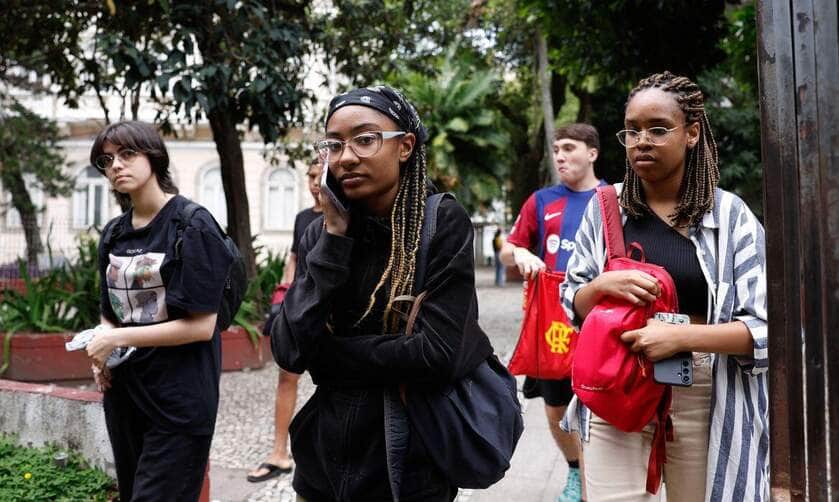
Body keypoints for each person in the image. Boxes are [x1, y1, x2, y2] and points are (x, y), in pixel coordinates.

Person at [270, 85, 494, 501]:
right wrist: (334, 238)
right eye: (333, 144)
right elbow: (288, 350)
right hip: (322, 463)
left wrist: (331, 356)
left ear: (405, 146)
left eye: (365, 139)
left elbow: (438, 354)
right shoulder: (319, 231)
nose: (347, 156)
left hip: (408, 465)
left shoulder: (440, 222)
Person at [560, 71, 768, 500]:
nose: (642, 141)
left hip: (702, 392)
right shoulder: (604, 209)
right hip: (615, 384)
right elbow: (572, 299)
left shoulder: (731, 218)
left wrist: (678, 337)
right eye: (632, 131)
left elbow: (766, 328)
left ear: (691, 133)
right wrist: (599, 287)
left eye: (658, 129)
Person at [84, 121, 235, 501]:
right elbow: (110, 310)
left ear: (154, 156)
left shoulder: (191, 224)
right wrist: (105, 355)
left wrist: (115, 337)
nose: (116, 165)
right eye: (107, 159)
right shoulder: (114, 233)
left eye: (127, 154)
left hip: (180, 398)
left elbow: (202, 326)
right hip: (126, 394)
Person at [500, 123, 605, 502]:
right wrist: (521, 253)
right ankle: (576, 470)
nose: (559, 155)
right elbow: (507, 249)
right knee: (555, 403)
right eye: (556, 149)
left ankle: (603, 475)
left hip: (601, 319)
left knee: (600, 399)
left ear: (592, 153)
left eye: (569, 148)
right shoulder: (542, 200)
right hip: (551, 322)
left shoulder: (613, 199)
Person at [247, 157, 323, 482]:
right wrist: (286, 291)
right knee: (287, 377)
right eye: (311, 176)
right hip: (300, 310)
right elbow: (294, 257)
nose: (315, 181)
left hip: (333, 314)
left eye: (321, 175)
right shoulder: (303, 217)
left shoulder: (350, 215)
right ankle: (279, 453)